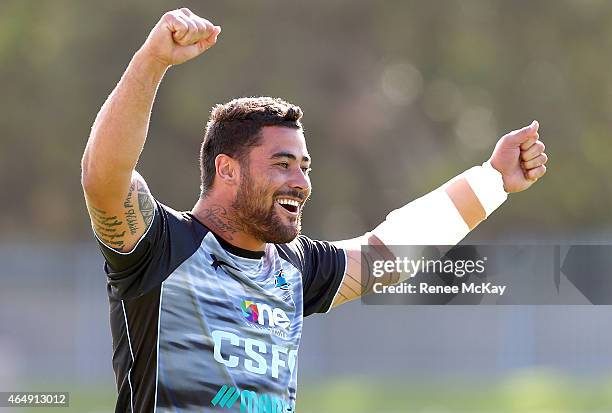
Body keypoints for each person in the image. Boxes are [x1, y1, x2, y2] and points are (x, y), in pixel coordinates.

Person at [80, 8, 548, 413]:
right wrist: (153, 61)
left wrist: (492, 181)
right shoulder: (163, 247)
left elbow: (387, 255)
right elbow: (104, 176)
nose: (300, 182)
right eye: (281, 165)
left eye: (304, 167)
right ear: (227, 170)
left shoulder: (292, 268)